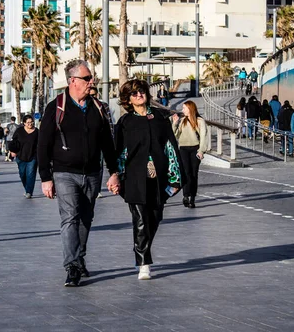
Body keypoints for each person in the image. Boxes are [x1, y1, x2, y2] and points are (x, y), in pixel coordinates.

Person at [37, 59, 119, 287]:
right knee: (70, 218)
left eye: (90, 78)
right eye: (86, 78)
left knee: (86, 218)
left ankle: (79, 257)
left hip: (93, 173)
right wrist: (45, 178)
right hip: (64, 173)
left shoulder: (98, 108)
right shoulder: (57, 107)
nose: (91, 82)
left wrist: (114, 172)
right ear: (73, 81)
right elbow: (42, 145)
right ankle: (72, 266)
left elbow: (107, 144)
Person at [113, 79, 185, 280]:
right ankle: (144, 262)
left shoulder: (160, 119)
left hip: (158, 177)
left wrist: (176, 179)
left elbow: (170, 147)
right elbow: (119, 151)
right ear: (128, 99)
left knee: (155, 217)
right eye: (134, 94)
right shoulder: (125, 123)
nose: (139, 95)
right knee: (140, 219)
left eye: (141, 91)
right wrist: (116, 175)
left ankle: (141, 248)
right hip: (134, 178)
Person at [172, 100, 207, 209]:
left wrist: (201, 151)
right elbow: (176, 135)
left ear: (190, 108)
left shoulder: (200, 121)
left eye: (184, 108)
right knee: (186, 173)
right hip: (183, 149)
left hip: (195, 149)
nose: (182, 110)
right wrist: (175, 123)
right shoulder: (183, 121)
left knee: (193, 174)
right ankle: (186, 196)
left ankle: (192, 198)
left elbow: (204, 137)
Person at [9, 114, 39, 199]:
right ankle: (27, 188)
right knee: (22, 174)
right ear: (24, 123)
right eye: (28, 122)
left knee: (30, 174)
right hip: (20, 156)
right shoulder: (19, 131)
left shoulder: (37, 132)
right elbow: (13, 142)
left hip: (32, 157)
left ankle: (29, 191)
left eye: (31, 122)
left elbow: (40, 144)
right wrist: (12, 151)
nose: (30, 124)